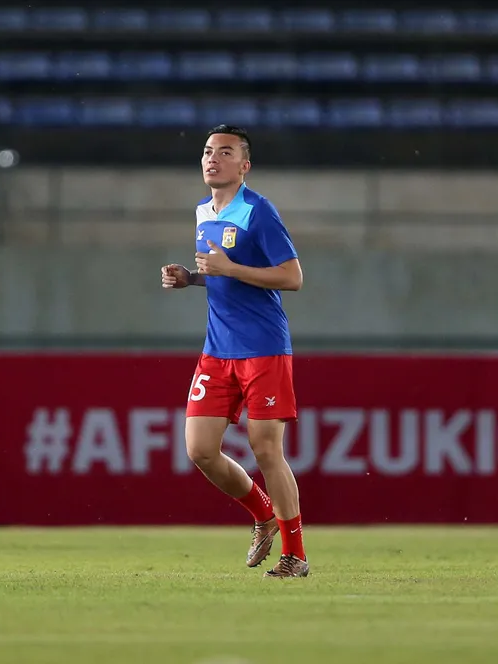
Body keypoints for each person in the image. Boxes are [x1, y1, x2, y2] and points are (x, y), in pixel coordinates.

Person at [160, 125, 308, 579]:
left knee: (266, 450)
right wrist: (194, 278)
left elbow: (292, 277)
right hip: (217, 349)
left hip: (262, 347)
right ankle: (262, 514)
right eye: (207, 151)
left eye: (225, 152)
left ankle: (295, 555)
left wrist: (232, 267)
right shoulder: (204, 211)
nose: (212, 159)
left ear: (244, 165)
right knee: (200, 449)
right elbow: (223, 275)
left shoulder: (258, 211)